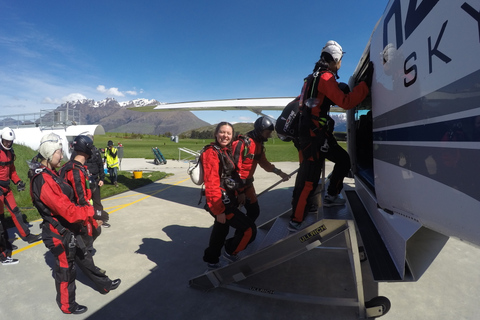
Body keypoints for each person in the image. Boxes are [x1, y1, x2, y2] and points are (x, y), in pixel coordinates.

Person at [29, 133, 120, 315]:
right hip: (57, 232)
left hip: (66, 229)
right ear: (49, 154)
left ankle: (104, 284)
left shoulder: (51, 173)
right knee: (65, 270)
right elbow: (68, 210)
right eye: (59, 152)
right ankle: (67, 306)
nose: (62, 156)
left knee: (82, 257)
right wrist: (92, 212)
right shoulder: (43, 180)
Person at [289, 40, 373, 231]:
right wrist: (365, 85)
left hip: (310, 134)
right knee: (310, 176)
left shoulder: (311, 78)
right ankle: (297, 219)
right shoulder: (326, 78)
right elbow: (345, 101)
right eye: (341, 59)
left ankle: (325, 198)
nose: (341, 64)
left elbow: (313, 106)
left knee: (331, 165)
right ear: (335, 59)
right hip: (314, 136)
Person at [202, 122, 257, 269]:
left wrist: (240, 193)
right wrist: (219, 210)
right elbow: (211, 184)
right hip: (221, 202)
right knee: (249, 230)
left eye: (228, 133)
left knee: (221, 230)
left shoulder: (226, 151)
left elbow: (233, 175)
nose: (225, 136)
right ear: (216, 133)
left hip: (228, 199)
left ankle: (212, 259)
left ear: (232, 136)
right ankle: (230, 251)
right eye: (222, 132)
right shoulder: (211, 153)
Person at [232, 117, 289, 222]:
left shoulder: (258, 145)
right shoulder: (242, 143)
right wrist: (240, 192)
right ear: (260, 131)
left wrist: (280, 173)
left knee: (254, 212)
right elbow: (234, 168)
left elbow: (264, 163)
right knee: (230, 216)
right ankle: (239, 234)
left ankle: (244, 234)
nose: (269, 135)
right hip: (236, 186)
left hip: (247, 184)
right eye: (267, 133)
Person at [61, 135, 109, 241]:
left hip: (75, 211)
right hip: (77, 215)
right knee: (96, 228)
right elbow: (81, 200)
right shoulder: (75, 171)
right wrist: (96, 214)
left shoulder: (72, 166)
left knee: (98, 206)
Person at [0, 127, 42, 247]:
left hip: (6, 189)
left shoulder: (10, 152)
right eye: (6, 141)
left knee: (16, 212)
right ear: (2, 139)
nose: (8, 143)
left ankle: (27, 236)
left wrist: (18, 181)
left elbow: (12, 170)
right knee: (0, 217)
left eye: (10, 141)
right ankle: (3, 244)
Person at [71, 135, 110, 228]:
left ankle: (100, 219)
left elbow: (100, 165)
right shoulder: (76, 153)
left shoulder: (95, 152)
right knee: (84, 200)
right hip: (83, 180)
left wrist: (102, 179)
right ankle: (86, 221)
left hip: (95, 180)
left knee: (97, 201)